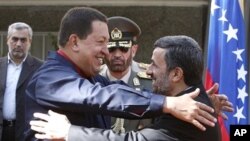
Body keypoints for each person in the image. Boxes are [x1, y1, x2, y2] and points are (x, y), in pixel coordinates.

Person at [24, 7, 218, 140]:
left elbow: (120, 92)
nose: (107, 52)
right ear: (74, 42)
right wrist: (170, 103)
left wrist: (189, 99)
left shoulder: (90, 78)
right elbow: (101, 96)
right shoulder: (49, 78)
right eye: (101, 42)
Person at [100, 16, 153, 133]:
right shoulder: (91, 79)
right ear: (103, 50)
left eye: (124, 48)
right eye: (111, 49)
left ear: (133, 50)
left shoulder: (151, 78)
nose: (117, 54)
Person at [0, 22, 43, 141]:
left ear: (30, 42)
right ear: (7, 40)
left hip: (27, 133)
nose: (18, 44)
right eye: (15, 39)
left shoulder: (41, 68)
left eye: (23, 40)